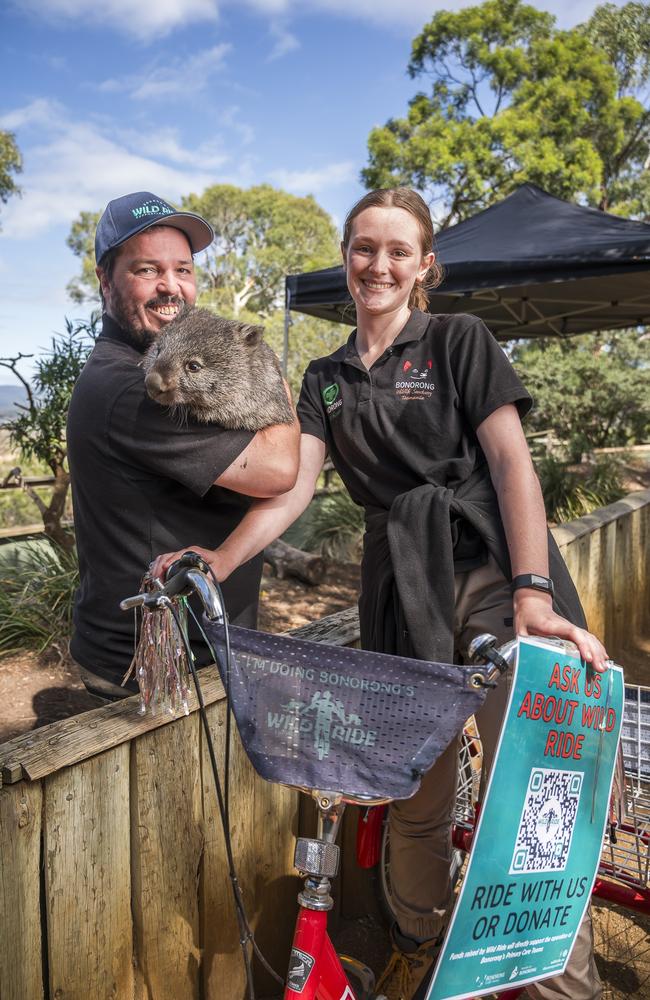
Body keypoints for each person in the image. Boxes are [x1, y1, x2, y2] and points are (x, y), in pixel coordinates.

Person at [152, 188, 608, 1000]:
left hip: (490, 567)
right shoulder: (325, 378)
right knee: (414, 788)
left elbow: (511, 465)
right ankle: (420, 944)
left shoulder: (458, 341)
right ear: (347, 256)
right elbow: (295, 491)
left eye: (399, 251)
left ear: (424, 265)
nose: (379, 265)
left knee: (530, 796)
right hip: (399, 584)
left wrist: (533, 594)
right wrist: (217, 560)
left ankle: (557, 983)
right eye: (365, 248)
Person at [67, 191, 299, 701]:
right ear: (105, 280)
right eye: (148, 269)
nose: (171, 287)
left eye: (183, 270)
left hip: (197, 648)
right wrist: (274, 377)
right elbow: (280, 467)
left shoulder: (152, 363)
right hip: (151, 670)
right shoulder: (132, 387)